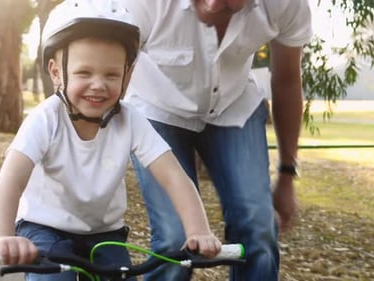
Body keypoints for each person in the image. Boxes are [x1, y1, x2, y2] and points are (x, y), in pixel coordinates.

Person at [0, 1, 222, 280]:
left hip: (104, 234)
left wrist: (198, 231)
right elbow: (11, 180)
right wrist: (2, 237)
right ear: (56, 71)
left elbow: (174, 177)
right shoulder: (46, 118)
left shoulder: (130, 119)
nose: (98, 85)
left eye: (111, 74)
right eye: (84, 73)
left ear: (128, 74)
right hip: (45, 228)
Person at [120, 0, 313, 280]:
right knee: (175, 239)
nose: (211, 5)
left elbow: (287, 80)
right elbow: (105, 69)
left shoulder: (285, 5)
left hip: (233, 107)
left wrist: (286, 173)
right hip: (156, 106)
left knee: (258, 227)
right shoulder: (140, 5)